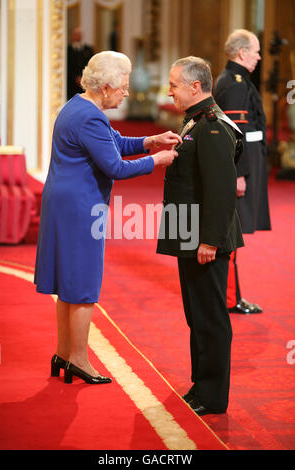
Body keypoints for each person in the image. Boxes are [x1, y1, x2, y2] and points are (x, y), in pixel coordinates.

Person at [34, 51, 181, 385]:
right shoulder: (91, 117)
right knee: (83, 286)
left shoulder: (79, 106)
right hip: (80, 208)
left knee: (67, 285)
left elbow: (112, 143)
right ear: (105, 87)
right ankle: (80, 360)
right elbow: (114, 166)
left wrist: (148, 141)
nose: (126, 93)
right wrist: (156, 160)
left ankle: (63, 353)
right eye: (123, 87)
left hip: (64, 202)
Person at [157, 57, 244, 416]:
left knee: (210, 318)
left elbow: (221, 190)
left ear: (195, 87)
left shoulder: (211, 126)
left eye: (175, 84)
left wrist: (209, 240)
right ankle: (201, 385)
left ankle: (213, 395)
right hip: (189, 233)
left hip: (204, 240)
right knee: (197, 315)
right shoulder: (196, 119)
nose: (170, 91)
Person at [214, 29, 271, 314]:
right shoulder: (235, 83)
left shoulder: (236, 80)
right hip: (241, 166)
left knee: (233, 234)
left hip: (245, 163)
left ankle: (231, 296)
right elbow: (234, 134)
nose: (259, 56)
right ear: (242, 53)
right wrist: (239, 173)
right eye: (255, 51)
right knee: (230, 234)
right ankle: (228, 298)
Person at [67, 27, 94, 100]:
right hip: (71, 84)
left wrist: (84, 77)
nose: (78, 36)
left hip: (85, 83)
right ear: (71, 36)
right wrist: (76, 78)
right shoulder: (67, 50)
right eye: (76, 34)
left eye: (79, 34)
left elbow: (90, 65)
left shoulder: (88, 49)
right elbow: (68, 67)